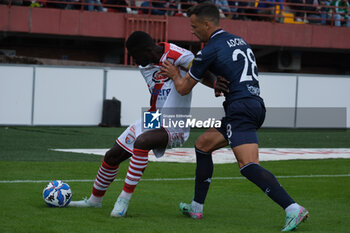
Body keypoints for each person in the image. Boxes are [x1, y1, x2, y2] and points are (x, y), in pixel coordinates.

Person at [160, 3, 309, 232]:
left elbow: (182, 88)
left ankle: (292, 208)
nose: (192, 31)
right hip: (253, 103)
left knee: (248, 165)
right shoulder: (238, 40)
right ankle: (196, 207)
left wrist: (173, 74)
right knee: (203, 145)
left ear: (207, 24)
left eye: (194, 26)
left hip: (240, 108)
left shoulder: (208, 50)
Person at [68, 31, 227, 217]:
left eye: (136, 56)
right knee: (112, 156)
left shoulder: (179, 56)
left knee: (142, 142)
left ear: (148, 50)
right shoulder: (145, 66)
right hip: (152, 118)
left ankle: (123, 201)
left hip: (175, 122)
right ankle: (94, 201)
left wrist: (216, 82)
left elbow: (201, 71)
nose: (136, 62)